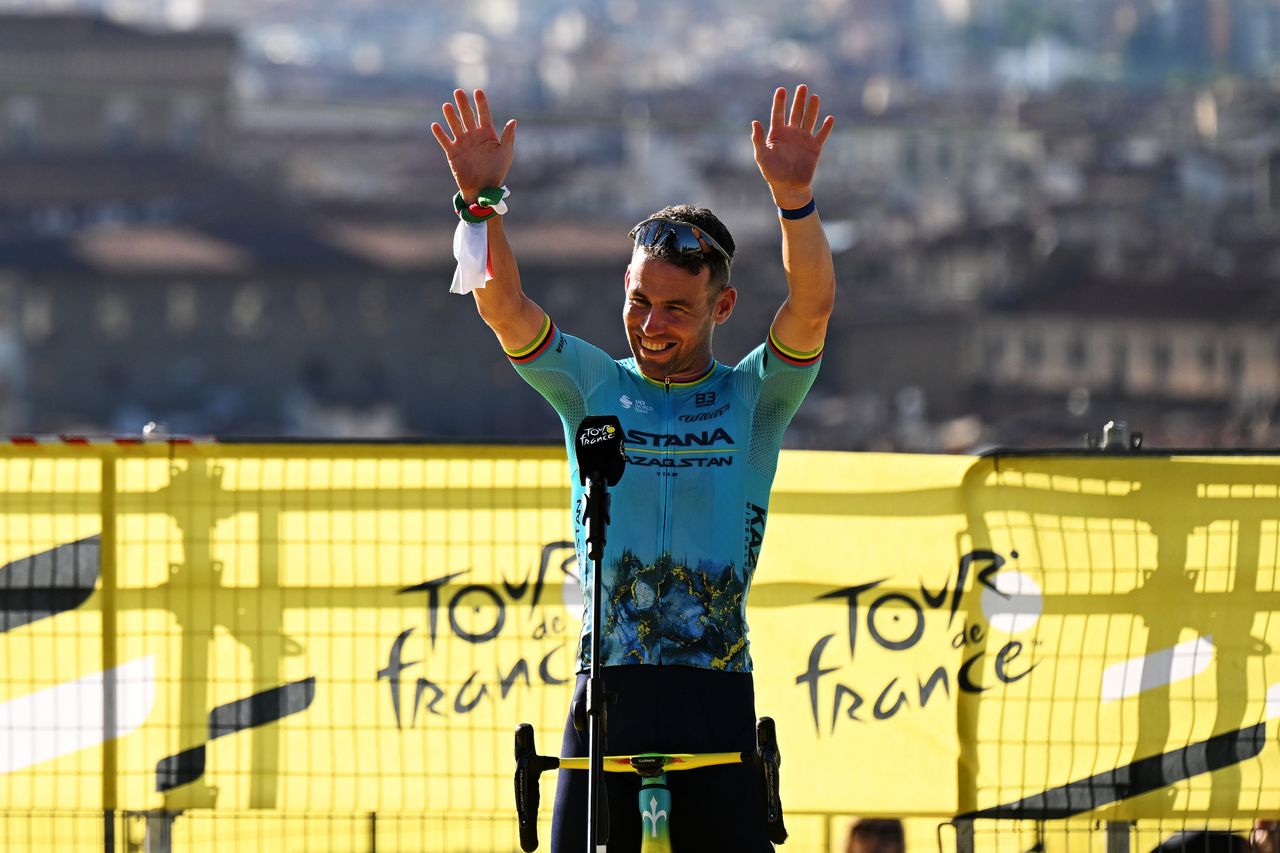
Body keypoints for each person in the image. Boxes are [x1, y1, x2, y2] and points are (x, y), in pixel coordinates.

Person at [432, 84, 835, 852]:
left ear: (722, 308)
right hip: (608, 689)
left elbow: (810, 310)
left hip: (714, 692)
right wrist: (478, 201)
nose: (651, 325)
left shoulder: (752, 397)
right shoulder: (592, 385)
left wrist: (796, 203)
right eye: (639, 300)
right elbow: (505, 307)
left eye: (676, 308)